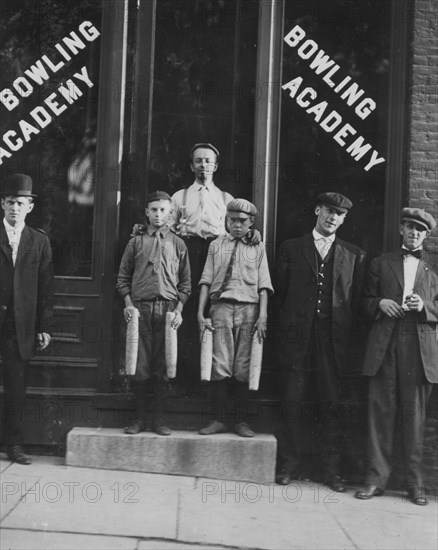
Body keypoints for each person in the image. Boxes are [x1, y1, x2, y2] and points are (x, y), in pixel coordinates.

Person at [274, 192, 366, 491]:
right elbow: (280, 296)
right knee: (292, 401)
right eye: (329, 211)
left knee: (331, 404)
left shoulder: (354, 255)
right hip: (296, 339)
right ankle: (288, 464)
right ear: (317, 210)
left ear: (344, 218)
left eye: (339, 214)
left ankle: (331, 470)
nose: (333, 217)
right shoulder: (291, 248)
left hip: (332, 342)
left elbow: (355, 303)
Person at [355, 208, 437, 506]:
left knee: (414, 418)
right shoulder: (380, 262)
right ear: (400, 229)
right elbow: (362, 301)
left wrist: (425, 307)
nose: (414, 233)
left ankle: (415, 485)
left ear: (426, 235)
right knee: (381, 413)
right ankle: (375, 480)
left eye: (420, 229)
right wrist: (381, 303)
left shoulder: (435, 267)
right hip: (384, 344)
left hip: (418, 347)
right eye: (409, 227)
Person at [117, 191, 191, 435]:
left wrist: (179, 310)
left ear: (170, 213)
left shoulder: (178, 244)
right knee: (139, 364)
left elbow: (186, 284)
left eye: (163, 210)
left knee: (163, 365)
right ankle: (138, 418)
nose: (158, 214)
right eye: (154, 210)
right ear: (146, 213)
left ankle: (158, 420)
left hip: (168, 311)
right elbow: (123, 278)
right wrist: (129, 304)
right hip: (139, 310)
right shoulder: (135, 242)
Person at [197, 199, 273, 437]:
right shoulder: (216, 245)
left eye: (242, 221)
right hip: (220, 309)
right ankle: (218, 419)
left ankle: (241, 421)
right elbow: (206, 280)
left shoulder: (258, 247)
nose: (237, 225)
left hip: (249, 310)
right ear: (226, 220)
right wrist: (200, 313)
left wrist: (263, 315)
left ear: (251, 223)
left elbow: (263, 285)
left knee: (243, 367)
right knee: (219, 365)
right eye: (232, 220)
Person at [0, 174, 53, 464]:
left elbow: (46, 286)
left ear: (29, 207)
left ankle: (14, 445)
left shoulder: (39, 241)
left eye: (21, 203)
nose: (15, 208)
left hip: (19, 326)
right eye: (10, 202)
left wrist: (44, 326)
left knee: (15, 387)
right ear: (2, 204)